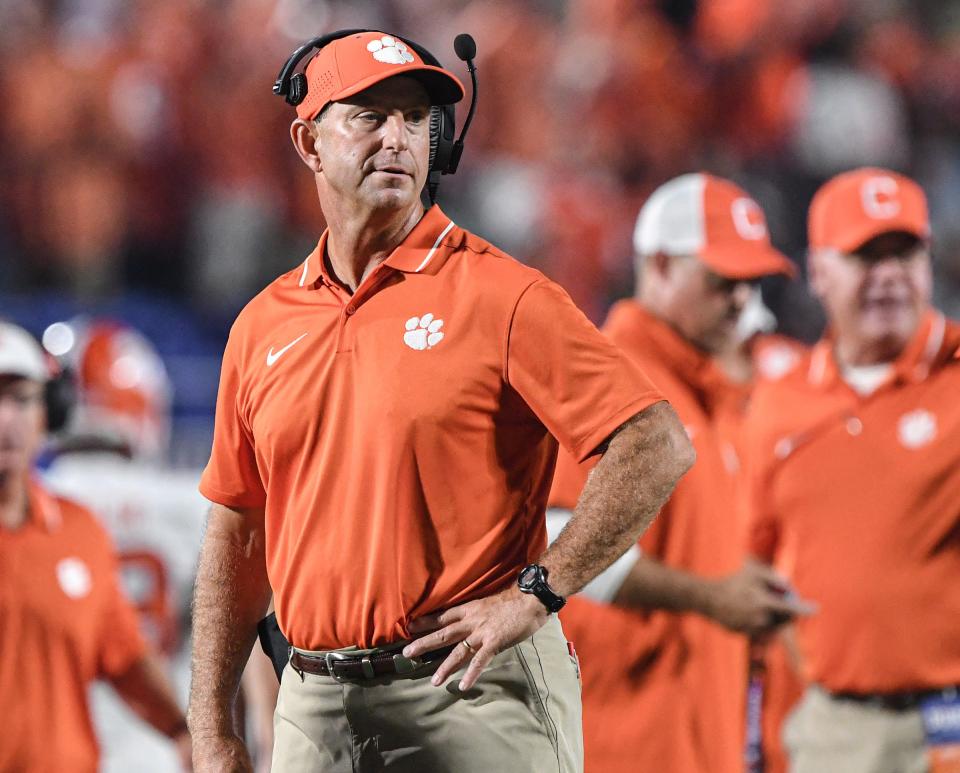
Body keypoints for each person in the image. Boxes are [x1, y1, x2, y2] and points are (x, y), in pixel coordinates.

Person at [187, 29, 694, 773]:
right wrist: (210, 720)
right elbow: (238, 526)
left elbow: (655, 441)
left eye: (415, 117)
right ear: (308, 141)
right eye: (368, 114)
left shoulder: (502, 294)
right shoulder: (262, 323)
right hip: (313, 706)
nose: (397, 137)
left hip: (471, 696)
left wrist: (538, 593)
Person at [547, 173, 809, 773]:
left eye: (750, 282)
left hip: (695, 730)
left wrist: (739, 584)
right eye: (722, 281)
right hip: (626, 735)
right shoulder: (609, 377)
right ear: (660, 266)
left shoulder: (704, 388)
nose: (742, 301)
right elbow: (553, 537)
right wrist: (712, 597)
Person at [743, 167, 960, 773]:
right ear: (818, 272)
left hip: (952, 716)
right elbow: (755, 570)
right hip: (832, 726)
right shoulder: (781, 404)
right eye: (867, 255)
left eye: (904, 253)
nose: (888, 275)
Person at [39, 317, 278, 771]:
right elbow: (254, 617)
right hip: (163, 750)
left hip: (55, 750)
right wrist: (265, 742)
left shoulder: (36, 505)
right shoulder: (193, 504)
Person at [0, 320, 192, 772]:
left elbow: (124, 654)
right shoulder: (186, 503)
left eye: (20, 399)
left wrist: (184, 730)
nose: (5, 418)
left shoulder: (79, 528)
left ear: (51, 411)